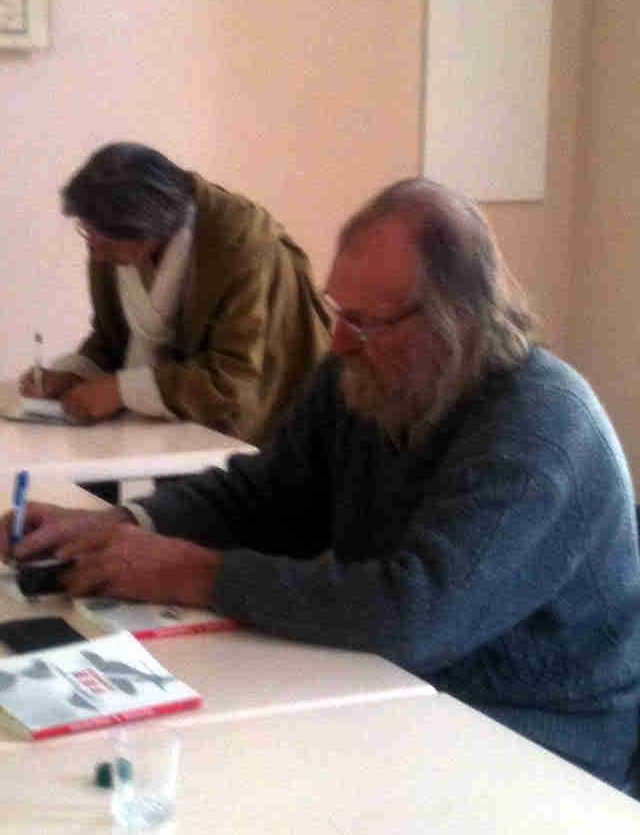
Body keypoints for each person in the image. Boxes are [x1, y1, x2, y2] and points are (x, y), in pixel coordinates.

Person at [4, 178, 640, 794]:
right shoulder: (365, 375)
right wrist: (124, 525)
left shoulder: (540, 430)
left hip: (540, 747)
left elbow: (413, 612)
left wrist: (188, 572)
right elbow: (267, 497)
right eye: (339, 312)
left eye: (365, 323)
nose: (337, 343)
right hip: (400, 696)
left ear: (454, 322)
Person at [19, 142, 331, 445]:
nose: (97, 254)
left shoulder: (243, 245)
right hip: (173, 433)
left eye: (106, 242)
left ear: (150, 230)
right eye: (88, 235)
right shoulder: (111, 241)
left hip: (267, 428)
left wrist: (121, 391)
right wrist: (74, 375)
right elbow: (112, 340)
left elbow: (233, 379)